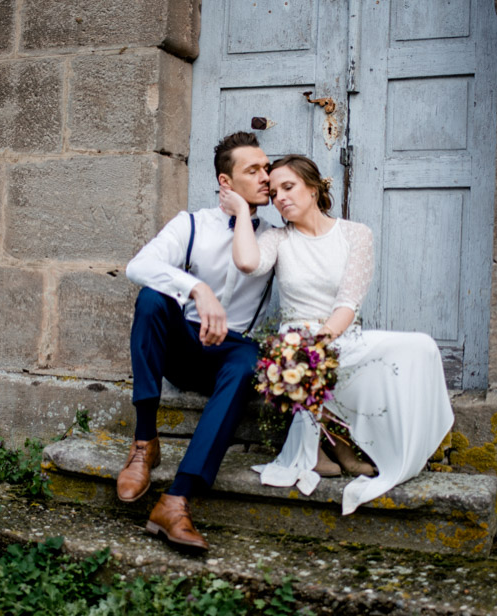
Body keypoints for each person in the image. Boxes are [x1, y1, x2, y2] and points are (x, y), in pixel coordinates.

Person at [221, 154, 454, 515]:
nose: (280, 197)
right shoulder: (277, 238)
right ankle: (328, 445)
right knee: (293, 355)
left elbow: (349, 300)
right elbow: (248, 263)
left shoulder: (355, 234)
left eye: (289, 187)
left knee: (419, 346)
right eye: (274, 191)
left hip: (339, 333)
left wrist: (324, 340)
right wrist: (239, 213)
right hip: (295, 336)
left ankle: (341, 439)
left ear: (313, 189)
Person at [122, 132, 274, 550]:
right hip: (184, 345)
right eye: (253, 170)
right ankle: (144, 442)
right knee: (153, 299)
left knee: (247, 362)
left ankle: (176, 499)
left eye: (267, 167)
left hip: (230, 352)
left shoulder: (275, 237)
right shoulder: (190, 223)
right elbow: (139, 266)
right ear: (225, 182)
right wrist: (197, 290)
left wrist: (244, 214)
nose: (266, 176)